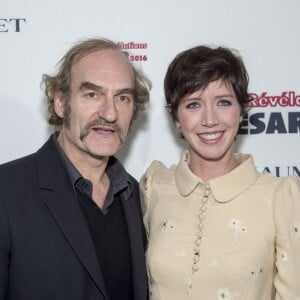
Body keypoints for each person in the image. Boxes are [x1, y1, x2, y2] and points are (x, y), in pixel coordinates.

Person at [140, 45, 300, 299]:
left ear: (242, 110)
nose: (210, 119)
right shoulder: (154, 187)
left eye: (223, 102)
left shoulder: (280, 196)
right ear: (176, 117)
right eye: (193, 105)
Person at [0, 37, 151, 300]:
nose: (110, 113)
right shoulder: (6, 191)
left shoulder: (135, 195)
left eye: (122, 97)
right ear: (61, 103)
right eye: (92, 94)